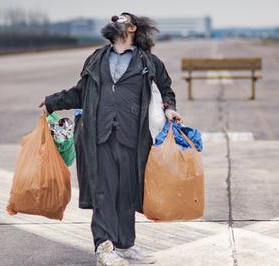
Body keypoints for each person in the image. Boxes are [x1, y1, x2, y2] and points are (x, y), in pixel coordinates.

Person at [39, 12, 183, 266]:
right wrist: (53, 102)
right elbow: (80, 92)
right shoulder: (96, 58)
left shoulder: (149, 62)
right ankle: (104, 247)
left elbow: (164, 89)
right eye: (115, 19)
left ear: (134, 29)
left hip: (133, 138)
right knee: (104, 191)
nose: (117, 21)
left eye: (124, 19)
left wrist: (169, 109)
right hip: (98, 136)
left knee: (127, 191)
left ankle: (125, 244)